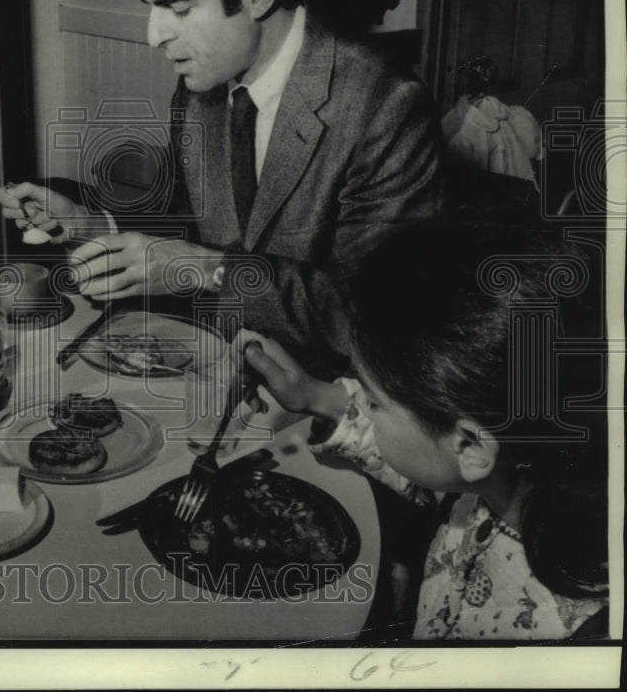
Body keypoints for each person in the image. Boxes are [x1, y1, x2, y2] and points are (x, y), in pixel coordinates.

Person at [0, 0, 441, 373]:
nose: (153, 35)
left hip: (329, 401)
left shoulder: (385, 106)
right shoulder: (199, 92)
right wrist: (90, 224)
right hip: (215, 373)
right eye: (149, 6)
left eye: (179, 7)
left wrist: (204, 270)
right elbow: (191, 227)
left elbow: (379, 318)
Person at [239, 223, 609, 640]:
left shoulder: (567, 635)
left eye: (374, 402)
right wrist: (315, 396)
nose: (363, 405)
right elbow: (432, 460)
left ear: (469, 445)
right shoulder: (511, 476)